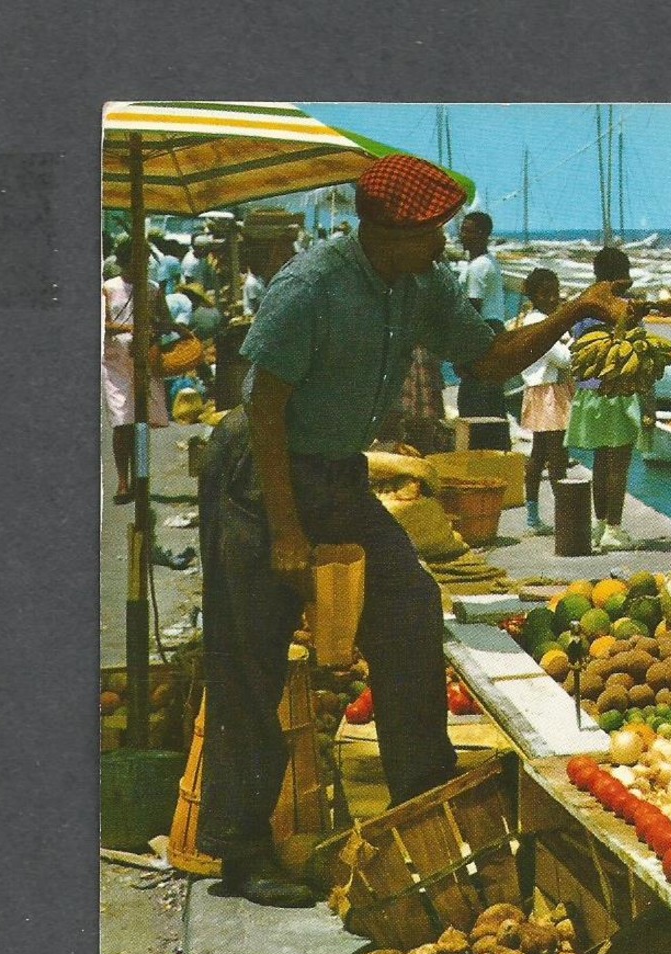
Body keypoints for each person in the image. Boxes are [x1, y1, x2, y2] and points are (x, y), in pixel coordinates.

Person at [198, 155, 628, 906]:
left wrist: (574, 312)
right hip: (260, 476)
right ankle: (241, 852)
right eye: (433, 233)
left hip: (337, 472)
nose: (444, 245)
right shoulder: (310, 287)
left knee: (408, 612)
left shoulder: (422, 281)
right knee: (252, 659)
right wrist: (288, 532)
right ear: (389, 232)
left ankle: (419, 805)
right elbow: (264, 407)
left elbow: (489, 356)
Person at [564, 246, 643, 551]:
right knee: (619, 465)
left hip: (589, 394)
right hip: (617, 393)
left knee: (600, 462)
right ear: (619, 277)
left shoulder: (583, 309)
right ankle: (614, 528)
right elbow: (638, 350)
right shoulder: (625, 309)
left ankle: (598, 525)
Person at [102, 237, 185, 504]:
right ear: (126, 260)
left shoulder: (152, 290)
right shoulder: (108, 289)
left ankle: (141, 478)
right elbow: (104, 325)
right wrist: (130, 329)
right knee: (121, 422)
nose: (145, 264)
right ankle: (123, 481)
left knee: (141, 423)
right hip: (116, 363)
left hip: (144, 361)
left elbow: (164, 321)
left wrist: (174, 331)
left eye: (147, 260)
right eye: (140, 259)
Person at [512, 268, 574, 534]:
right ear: (534, 295)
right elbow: (563, 359)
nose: (553, 299)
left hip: (539, 392)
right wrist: (575, 340)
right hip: (548, 393)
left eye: (555, 293)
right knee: (557, 457)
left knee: (538, 455)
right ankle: (565, 519)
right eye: (546, 294)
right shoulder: (541, 323)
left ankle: (533, 517)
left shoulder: (535, 319)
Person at [453, 211, 511, 450]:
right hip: (492, 329)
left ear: (483, 235)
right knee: (490, 399)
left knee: (475, 400)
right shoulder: (488, 262)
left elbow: (472, 311)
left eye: (469, 230)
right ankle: (497, 447)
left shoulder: (478, 267)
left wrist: (461, 354)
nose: (463, 234)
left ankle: (482, 451)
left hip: (482, 332)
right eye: (463, 229)